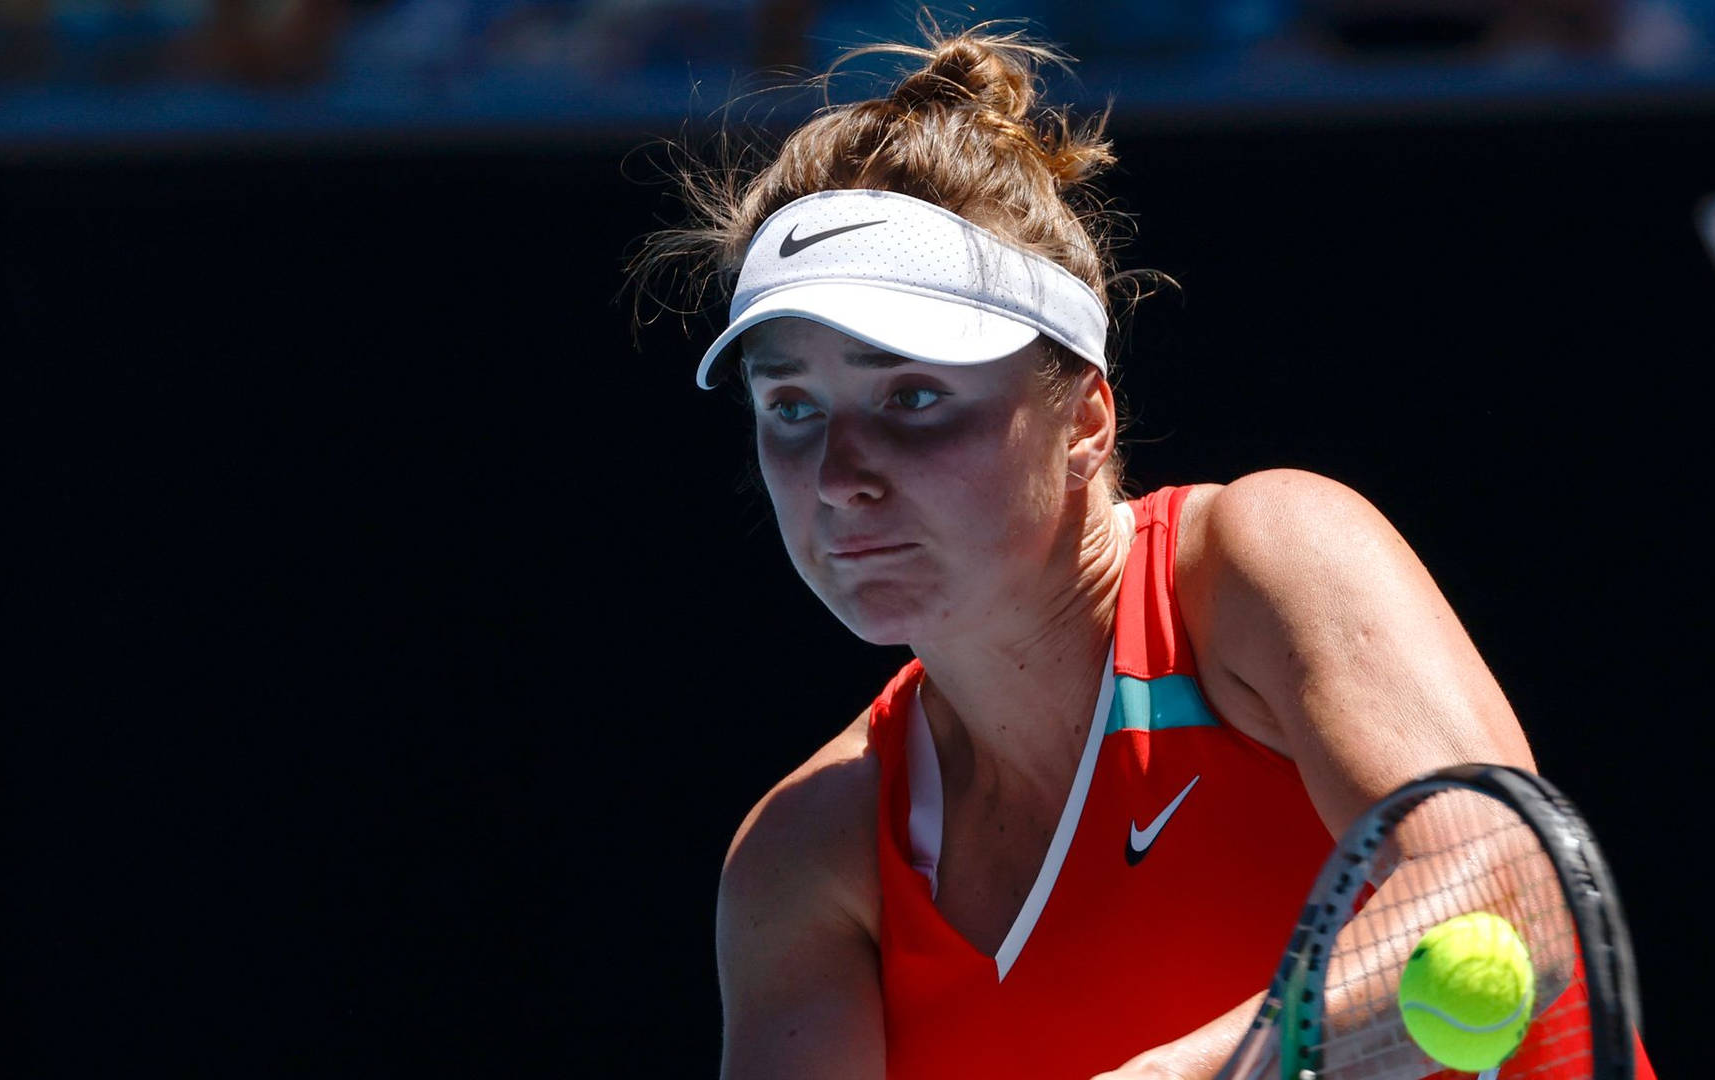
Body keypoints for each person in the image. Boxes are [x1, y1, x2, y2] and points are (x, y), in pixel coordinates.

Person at [634, 19, 1654, 1080]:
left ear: (1084, 421)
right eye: (791, 406)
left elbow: (1508, 893)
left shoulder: (1265, 562)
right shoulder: (805, 856)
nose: (842, 472)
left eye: (915, 396)